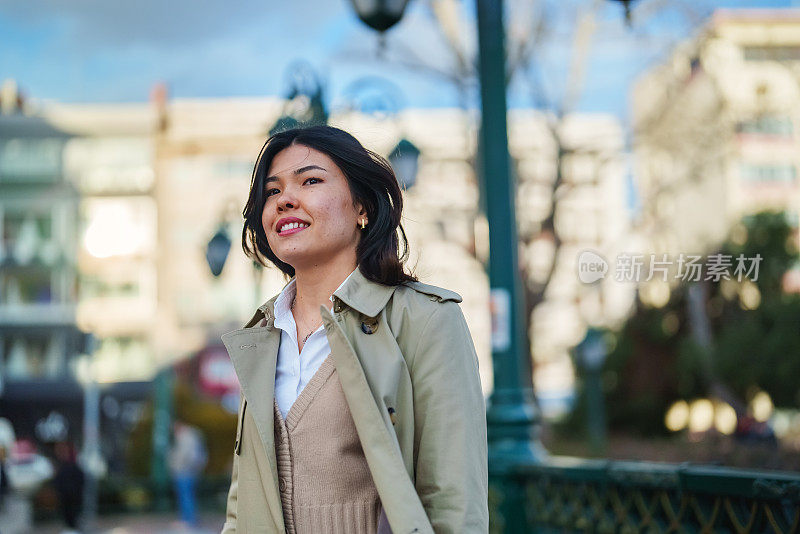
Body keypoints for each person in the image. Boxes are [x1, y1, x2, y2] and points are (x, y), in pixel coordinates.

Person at [221, 125, 488, 534]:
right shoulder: (261, 336)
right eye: (272, 192)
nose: (285, 200)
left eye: (310, 181)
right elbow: (241, 508)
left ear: (362, 207)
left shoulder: (425, 320)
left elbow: (454, 502)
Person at [168, 421, 208, 526]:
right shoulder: (193, 435)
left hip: (185, 471)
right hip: (190, 470)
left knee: (185, 496)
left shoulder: (186, 437)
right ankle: (189, 519)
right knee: (188, 495)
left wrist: (177, 465)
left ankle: (188, 520)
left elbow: (186, 455)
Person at [52, 441, 84, 534]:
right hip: (65, 499)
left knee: (72, 518)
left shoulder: (74, 466)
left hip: (73, 499)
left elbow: (80, 480)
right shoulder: (61, 466)